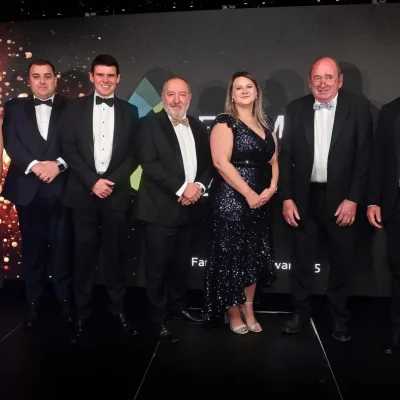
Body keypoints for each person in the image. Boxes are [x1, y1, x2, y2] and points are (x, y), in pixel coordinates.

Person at [279, 56, 372, 342]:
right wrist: (287, 197)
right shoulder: (295, 108)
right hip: (304, 198)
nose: (322, 83)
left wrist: (353, 199)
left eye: (328, 77)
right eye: (317, 78)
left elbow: (364, 157)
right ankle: (300, 312)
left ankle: (338, 317)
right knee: (301, 260)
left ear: (339, 81)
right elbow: (285, 158)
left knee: (342, 261)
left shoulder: (358, 107)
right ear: (310, 81)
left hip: (342, 200)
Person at [61, 54, 139, 343]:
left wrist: (110, 182)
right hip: (83, 194)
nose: (106, 80)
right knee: (83, 257)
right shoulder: (73, 107)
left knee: (116, 256)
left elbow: (133, 154)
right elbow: (68, 148)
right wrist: (92, 182)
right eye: (100, 75)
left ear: (118, 78)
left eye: (111, 75)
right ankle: (82, 314)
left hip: (116, 194)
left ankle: (118, 310)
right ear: (92, 77)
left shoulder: (130, 111)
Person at [134, 76, 213, 343]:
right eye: (171, 94)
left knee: (180, 265)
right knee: (156, 268)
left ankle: (178, 307)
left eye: (182, 95)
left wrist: (198, 187)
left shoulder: (199, 126)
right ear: (162, 97)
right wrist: (182, 189)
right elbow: (149, 163)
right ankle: (156, 319)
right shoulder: (149, 124)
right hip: (159, 210)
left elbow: (209, 164)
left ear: (189, 97)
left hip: (190, 209)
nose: (176, 100)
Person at [202, 71, 278, 334]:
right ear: (232, 95)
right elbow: (220, 163)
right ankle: (232, 311)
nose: (244, 91)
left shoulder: (266, 125)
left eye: (249, 87)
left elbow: (274, 161)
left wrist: (272, 188)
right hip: (231, 200)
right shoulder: (225, 122)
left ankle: (248, 308)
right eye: (238, 88)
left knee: (253, 256)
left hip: (260, 201)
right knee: (231, 258)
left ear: (256, 92)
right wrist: (248, 194)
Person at [1, 59, 72, 327]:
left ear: (56, 78)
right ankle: (33, 303)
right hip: (27, 189)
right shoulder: (14, 107)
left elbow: (79, 144)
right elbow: (12, 143)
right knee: (32, 250)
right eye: (36, 76)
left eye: (47, 76)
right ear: (29, 80)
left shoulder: (72, 107)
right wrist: (35, 166)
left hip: (62, 188)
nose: (42, 81)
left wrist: (58, 165)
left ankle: (65, 301)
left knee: (63, 248)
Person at [366, 96, 400, 355]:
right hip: (395, 202)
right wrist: (373, 200)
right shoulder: (390, 111)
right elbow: (378, 159)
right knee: (398, 269)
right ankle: (396, 333)